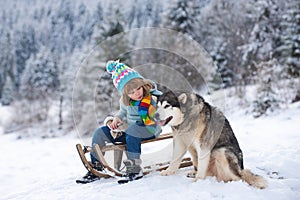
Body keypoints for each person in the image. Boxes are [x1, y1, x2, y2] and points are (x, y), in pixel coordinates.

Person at [80, 60, 162, 183]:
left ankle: (134, 169)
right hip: (131, 132)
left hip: (149, 128)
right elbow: (122, 113)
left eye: (138, 88)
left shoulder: (151, 97)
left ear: (142, 84)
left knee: (132, 129)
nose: (137, 93)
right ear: (125, 93)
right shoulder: (125, 102)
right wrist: (116, 119)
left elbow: (161, 112)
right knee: (100, 132)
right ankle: (97, 166)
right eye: (131, 92)